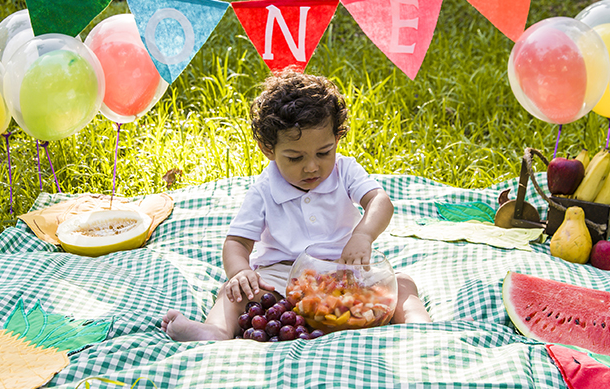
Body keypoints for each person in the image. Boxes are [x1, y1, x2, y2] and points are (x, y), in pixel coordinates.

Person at [162, 71, 431, 341]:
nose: (312, 166)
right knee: (235, 294)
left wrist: (363, 235)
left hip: (346, 272)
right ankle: (216, 330)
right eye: (294, 157)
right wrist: (240, 272)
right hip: (283, 277)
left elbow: (379, 201)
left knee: (403, 283)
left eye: (324, 153)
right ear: (268, 149)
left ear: (337, 138)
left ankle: (419, 327)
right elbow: (237, 242)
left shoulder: (345, 170)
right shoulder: (264, 189)